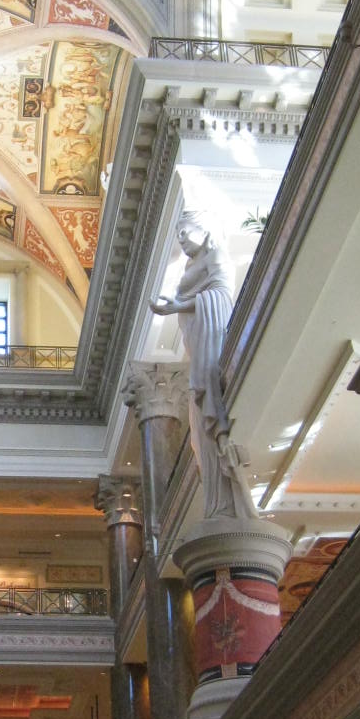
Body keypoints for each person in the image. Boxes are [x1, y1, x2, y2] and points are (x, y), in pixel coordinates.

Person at [148, 212, 257, 523]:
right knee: (198, 426)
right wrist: (177, 307)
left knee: (206, 399)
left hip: (210, 336)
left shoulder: (217, 255)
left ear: (202, 228)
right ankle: (217, 502)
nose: (182, 241)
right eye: (179, 236)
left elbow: (221, 295)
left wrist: (177, 306)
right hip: (197, 338)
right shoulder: (191, 264)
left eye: (184, 233)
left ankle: (227, 497)